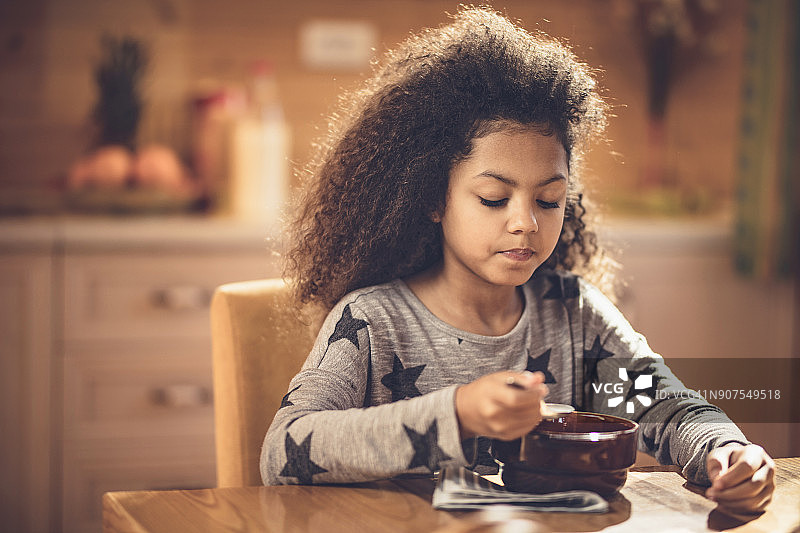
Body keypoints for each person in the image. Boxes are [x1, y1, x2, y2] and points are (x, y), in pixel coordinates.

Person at [261, 7, 774, 514]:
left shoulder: (576, 315)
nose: (525, 222)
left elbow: (668, 407)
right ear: (432, 199)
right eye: (493, 198)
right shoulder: (372, 321)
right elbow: (284, 450)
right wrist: (456, 414)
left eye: (548, 200)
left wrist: (726, 452)